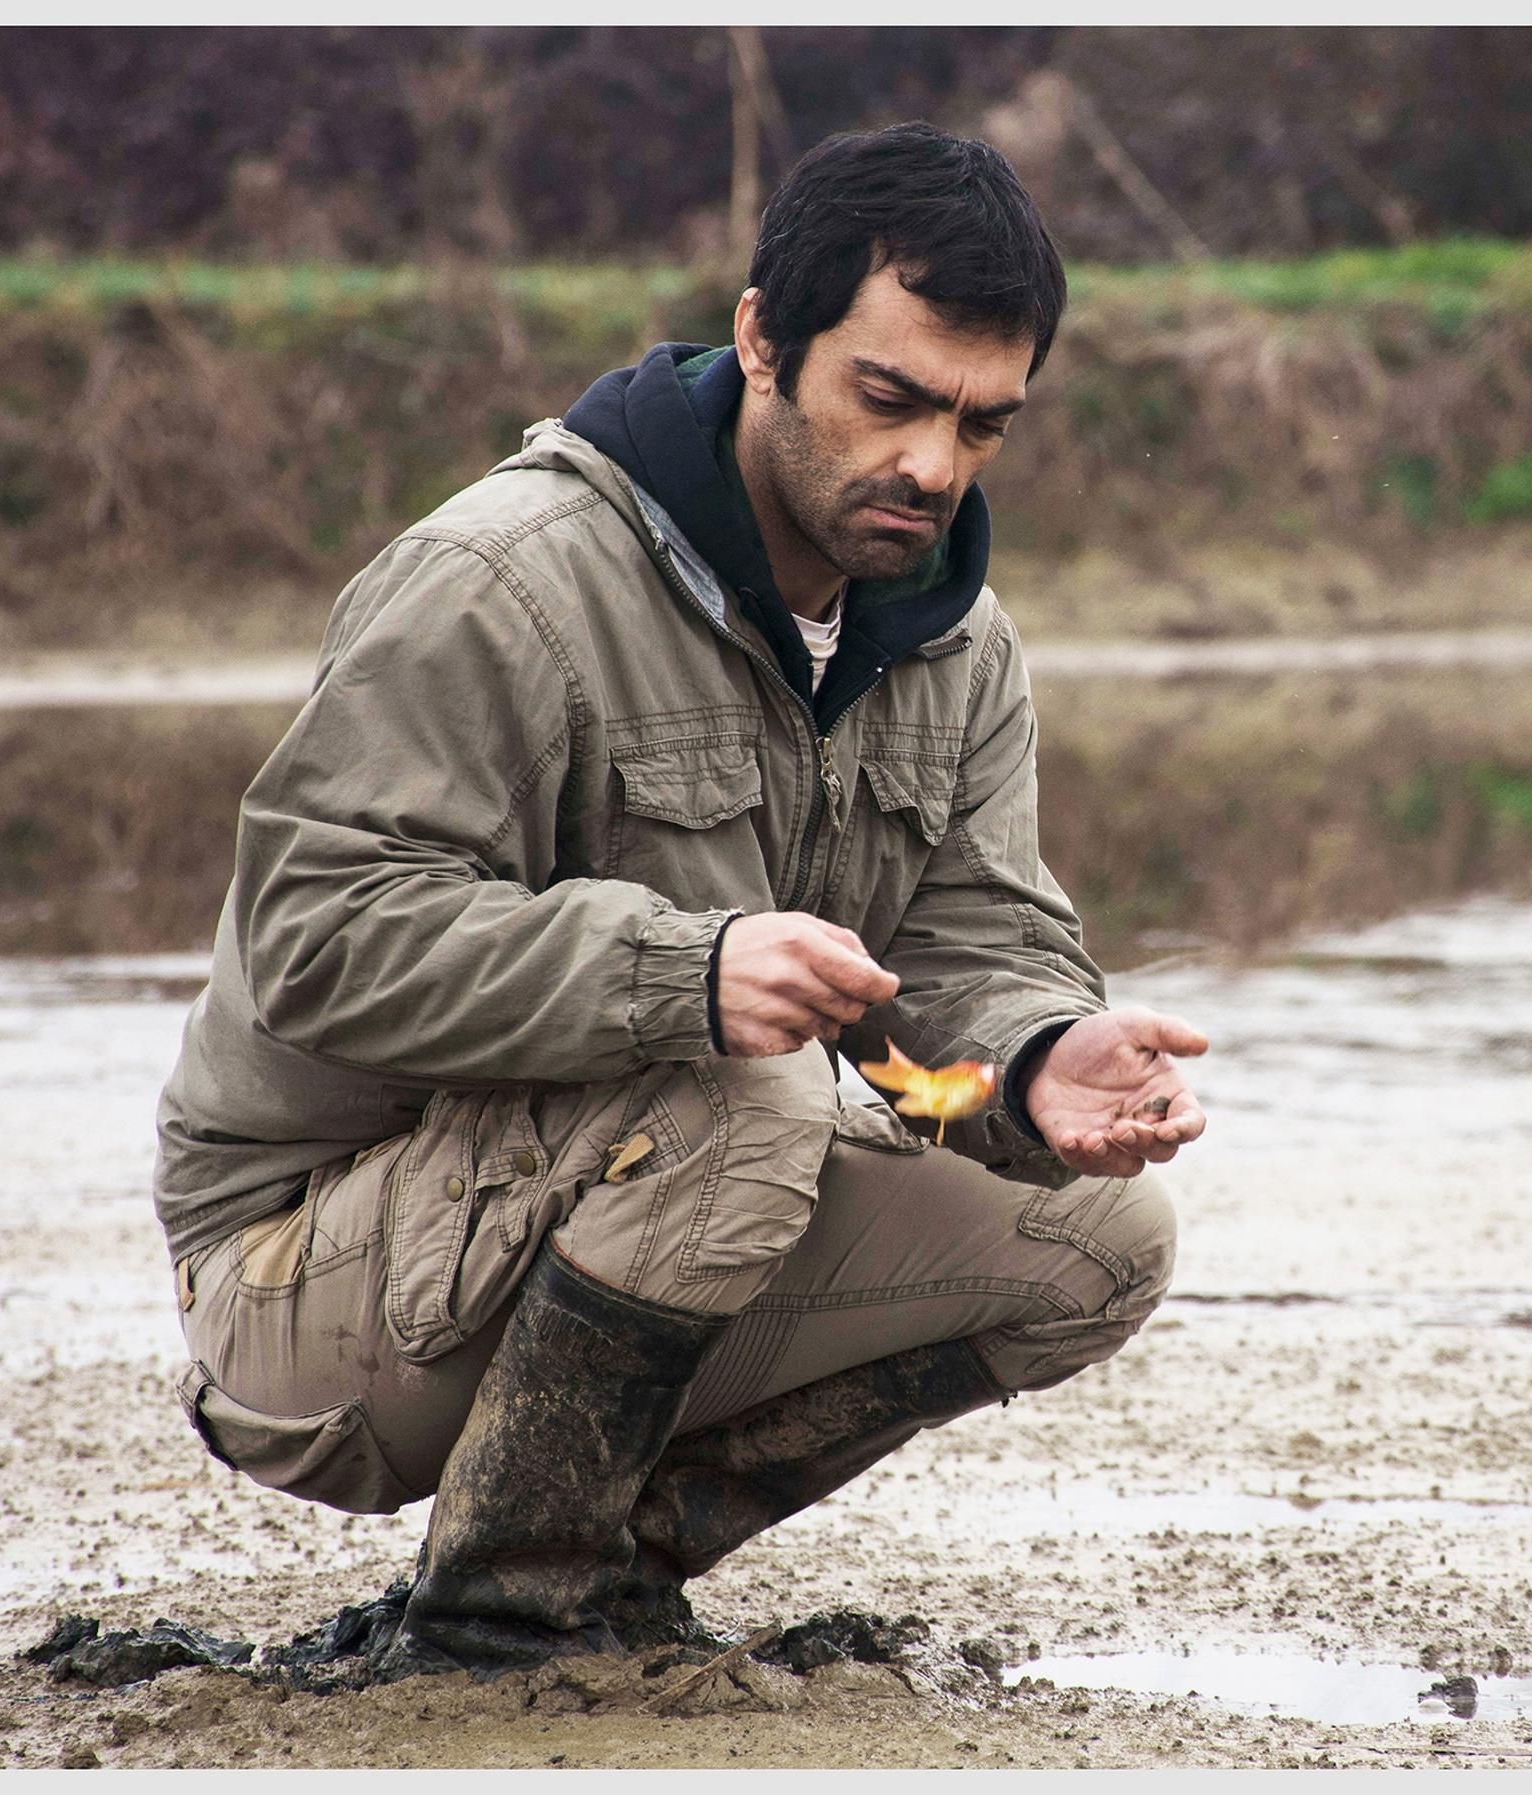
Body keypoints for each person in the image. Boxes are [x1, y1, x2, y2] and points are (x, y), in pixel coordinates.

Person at [151, 123, 1207, 1681]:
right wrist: (683, 973)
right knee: (748, 1092)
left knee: (1103, 1231)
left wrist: (1033, 1059)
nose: (933, 465)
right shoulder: (500, 581)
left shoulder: (955, 644)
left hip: (629, 1195)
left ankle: (614, 1573)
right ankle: (492, 1626)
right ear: (762, 340)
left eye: (984, 424)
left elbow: (961, 948)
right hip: (303, 1275)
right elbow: (316, 940)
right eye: (890, 398)